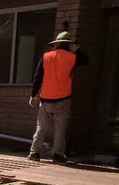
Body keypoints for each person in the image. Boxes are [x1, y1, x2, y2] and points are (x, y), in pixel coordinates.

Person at [28, 31, 88, 162]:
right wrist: (76, 50)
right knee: (60, 128)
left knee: (41, 127)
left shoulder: (46, 56)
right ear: (68, 45)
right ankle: (57, 154)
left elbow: (38, 77)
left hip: (46, 98)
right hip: (63, 98)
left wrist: (33, 95)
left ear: (56, 44)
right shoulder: (72, 57)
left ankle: (34, 153)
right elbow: (85, 60)